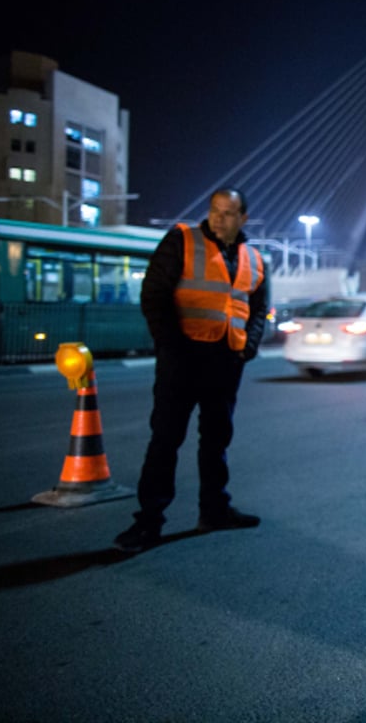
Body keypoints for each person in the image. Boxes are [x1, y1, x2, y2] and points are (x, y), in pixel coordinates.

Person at [114, 187, 268, 553]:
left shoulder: (255, 259)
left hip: (226, 362)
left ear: (243, 218)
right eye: (215, 210)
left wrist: (247, 347)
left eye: (228, 212)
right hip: (182, 361)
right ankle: (148, 523)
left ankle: (214, 511)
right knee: (165, 440)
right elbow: (154, 295)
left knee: (216, 441)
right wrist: (171, 346)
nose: (219, 217)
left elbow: (259, 309)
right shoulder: (181, 241)